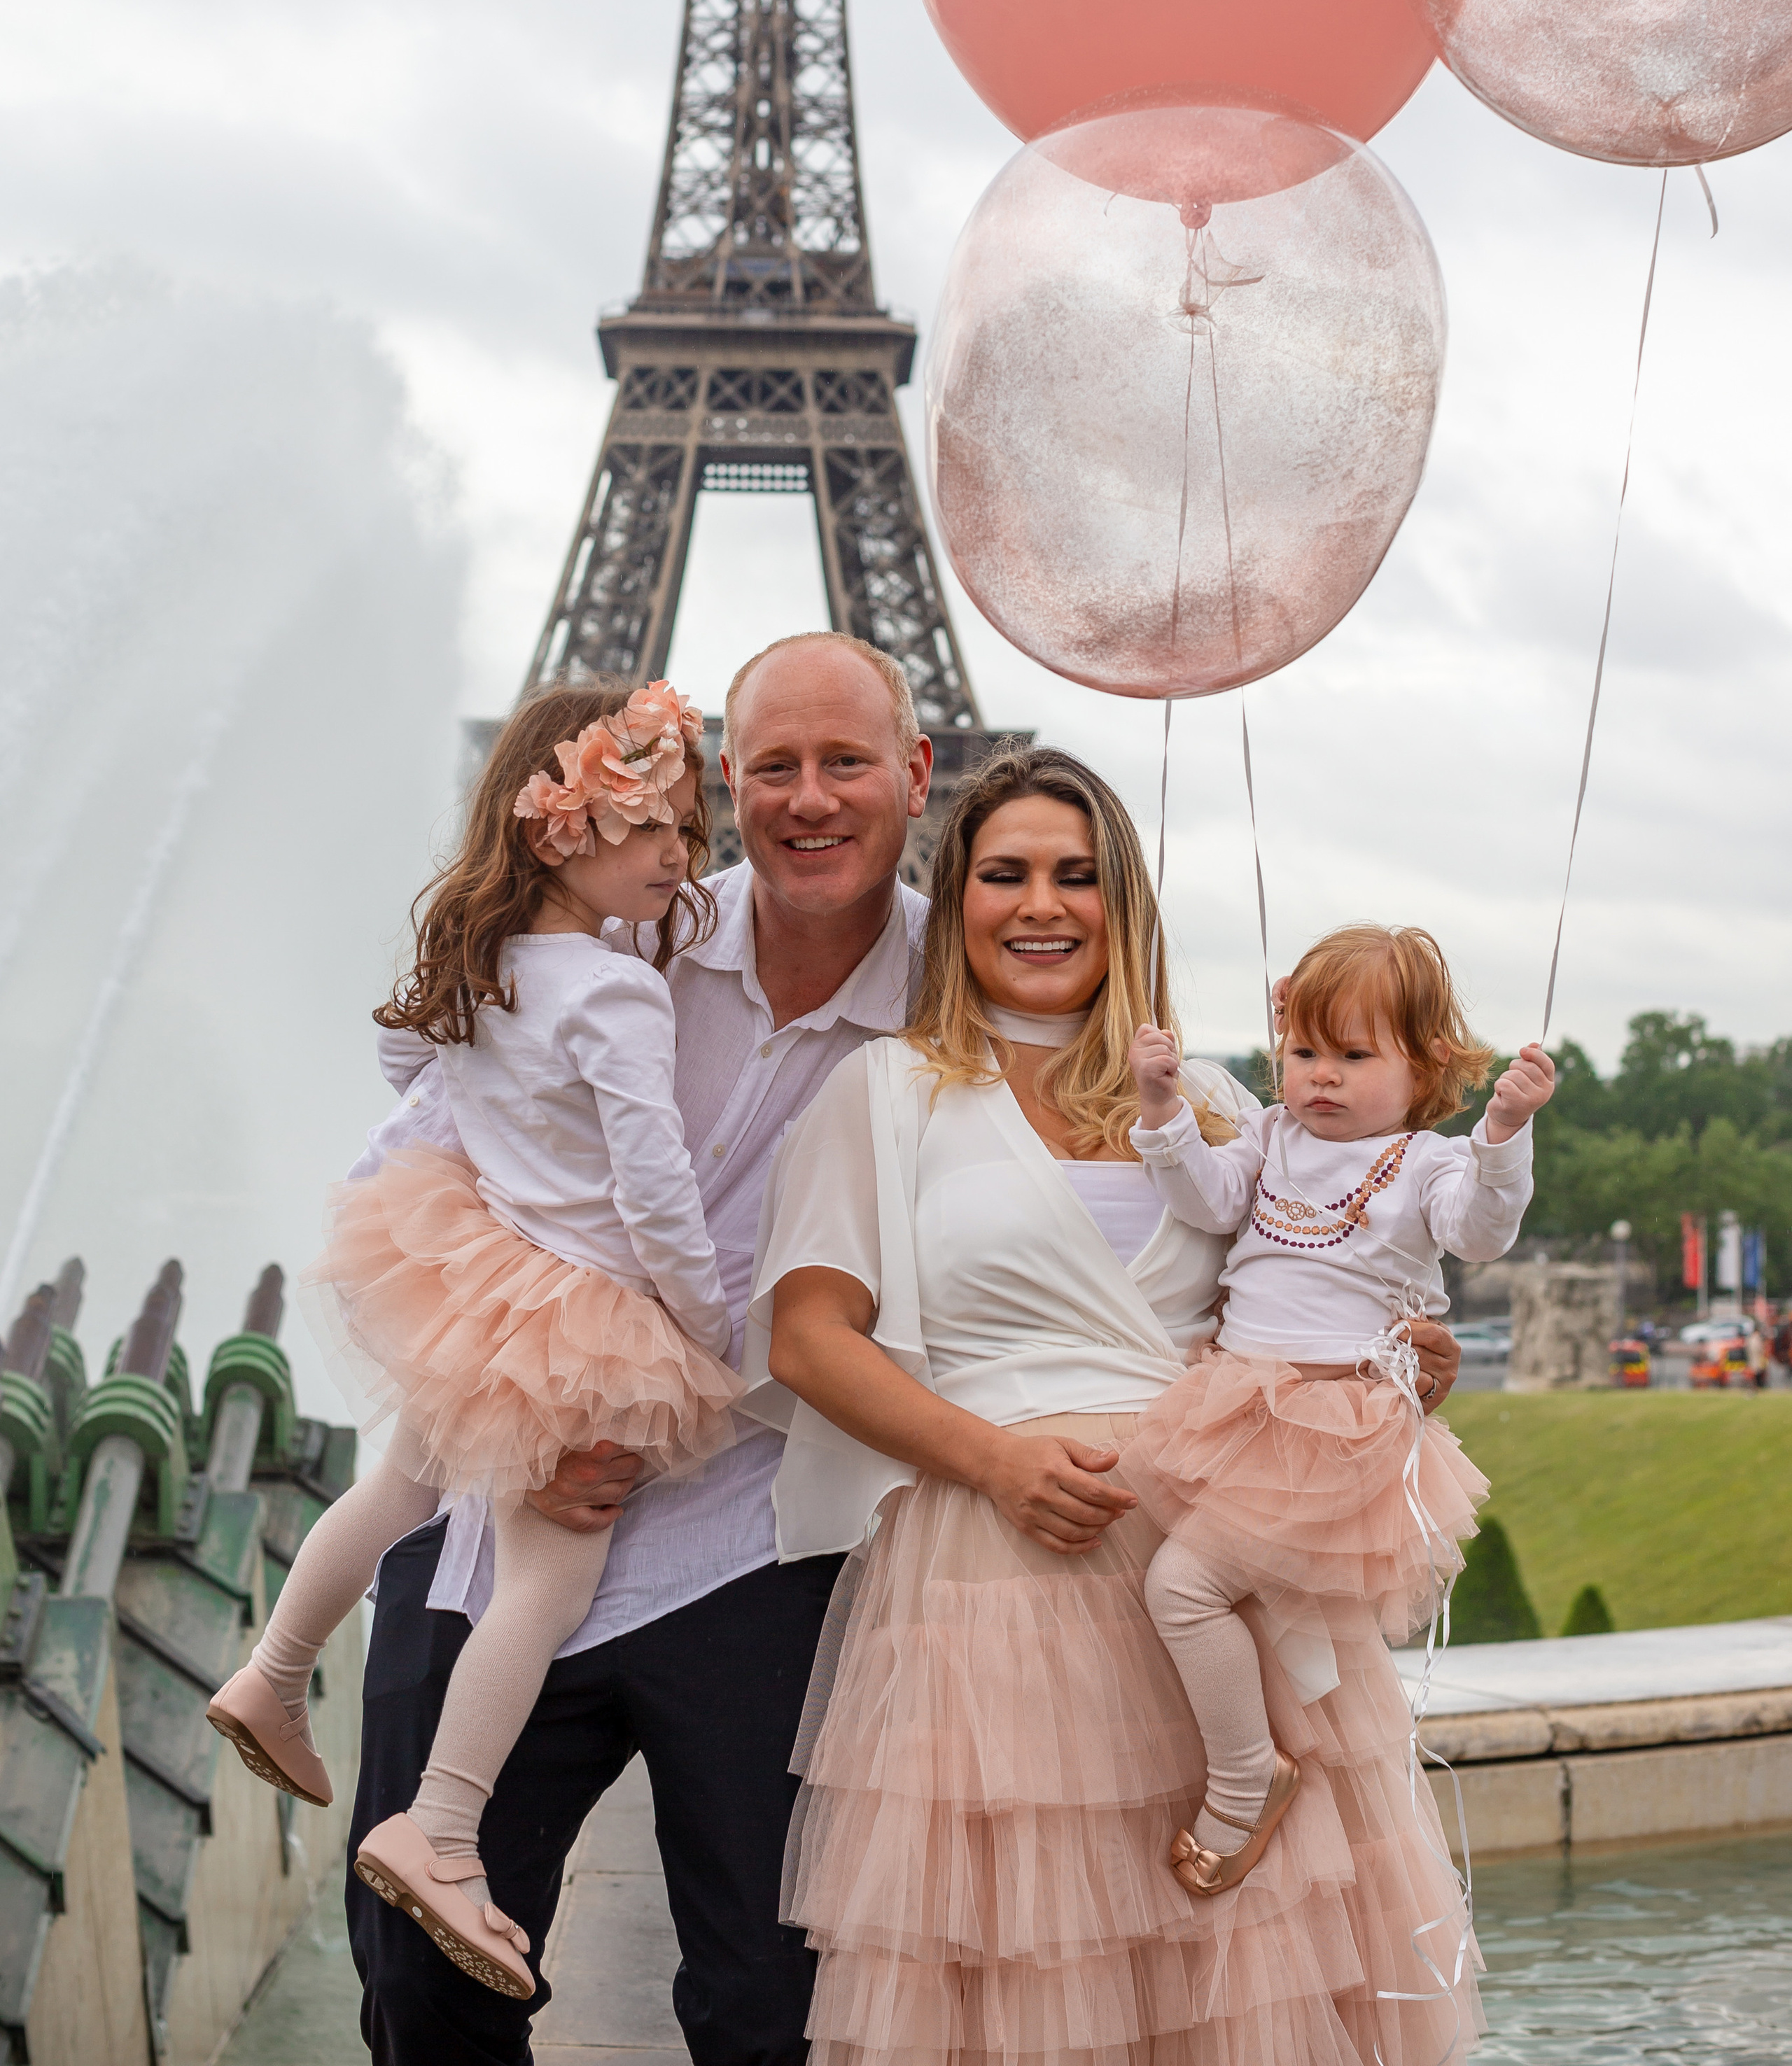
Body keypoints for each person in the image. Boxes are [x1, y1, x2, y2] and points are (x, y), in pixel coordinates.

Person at [750, 747, 1468, 2066]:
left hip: (1218, 1576)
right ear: (953, 897)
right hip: (1001, 1573)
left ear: (1121, 899)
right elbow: (806, 1338)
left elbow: (1307, 1297)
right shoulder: (890, 1091)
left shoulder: (1214, 1107)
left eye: (1078, 876)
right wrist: (993, 1461)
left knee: (1246, 1991)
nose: (1042, 905)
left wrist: (1403, 1352)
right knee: (1041, 1987)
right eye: (1005, 873)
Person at [341, 633, 935, 2065]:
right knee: (420, 1987)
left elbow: (1138, 1154)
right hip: (505, 1510)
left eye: (843, 761)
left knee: (773, 2010)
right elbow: (404, 1185)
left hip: (757, 1548)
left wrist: (1363, 1304)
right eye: (774, 766)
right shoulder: (616, 942)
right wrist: (511, 1414)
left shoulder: (958, 1004)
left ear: (916, 774)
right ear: (726, 781)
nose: (807, 798)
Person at [211, 680, 740, 1998]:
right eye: (658, 831)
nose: (686, 857)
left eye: (687, 828)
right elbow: (656, 1188)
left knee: (397, 1486)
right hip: (587, 1312)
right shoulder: (619, 992)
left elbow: (417, 1077)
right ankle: (441, 1829)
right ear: (567, 831)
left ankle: (274, 1671)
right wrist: (704, 1323)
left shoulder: (493, 967)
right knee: (547, 1582)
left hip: (478, 1278)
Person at [1123, 923, 1548, 1895]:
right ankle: (1271, 1764)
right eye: (1306, 1051)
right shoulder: (1273, 1137)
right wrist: (1163, 1107)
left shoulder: (1429, 1164)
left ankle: (1245, 1773)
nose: (1322, 1077)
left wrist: (1504, 1138)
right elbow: (1204, 1199)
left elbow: (1479, 1237)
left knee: (1184, 1588)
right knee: (1249, 1612)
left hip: (1336, 1424)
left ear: (1427, 1062)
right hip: (1241, 1405)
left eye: (1354, 1056)